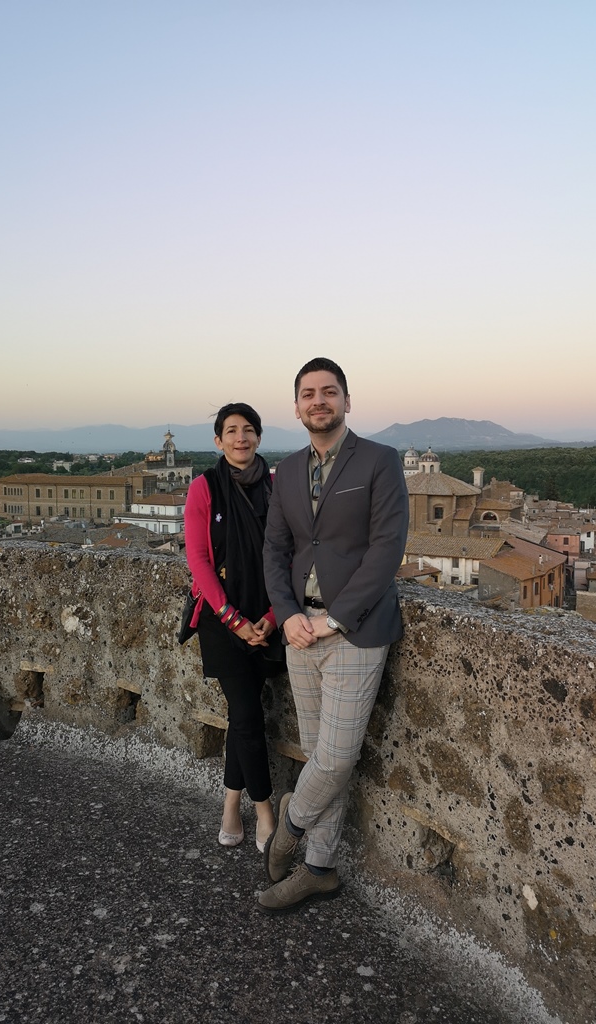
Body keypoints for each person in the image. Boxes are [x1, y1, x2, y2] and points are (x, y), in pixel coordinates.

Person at [259, 357, 409, 912]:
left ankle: (290, 827)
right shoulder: (287, 471)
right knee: (319, 751)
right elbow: (276, 548)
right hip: (300, 630)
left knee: (337, 758)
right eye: (308, 393)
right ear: (297, 407)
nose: (318, 401)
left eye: (328, 391)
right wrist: (287, 614)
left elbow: (387, 548)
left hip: (355, 629)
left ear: (347, 400)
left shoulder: (379, 460)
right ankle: (319, 870)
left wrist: (335, 618)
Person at [184, 402, 282, 853]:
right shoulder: (204, 488)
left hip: (265, 620)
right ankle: (264, 811)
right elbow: (199, 560)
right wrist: (234, 621)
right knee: (246, 713)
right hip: (222, 621)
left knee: (242, 717)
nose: (240, 437)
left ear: (259, 437)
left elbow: (290, 555)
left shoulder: (276, 488)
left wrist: (273, 617)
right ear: (218, 440)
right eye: (231, 430)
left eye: (248, 430)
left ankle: (229, 803)